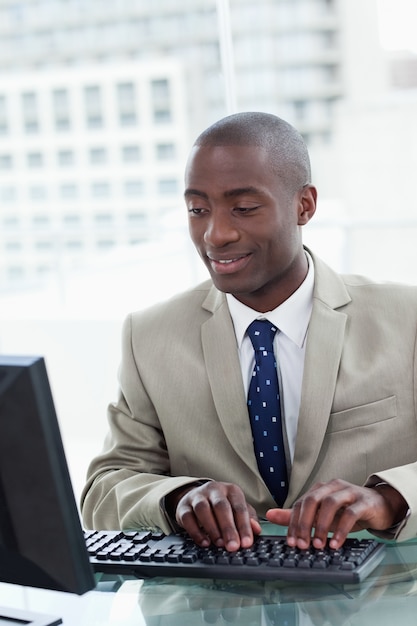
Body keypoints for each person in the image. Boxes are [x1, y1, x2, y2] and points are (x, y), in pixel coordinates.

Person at [81, 111, 417, 553]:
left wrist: (390, 498)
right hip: (214, 610)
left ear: (305, 206)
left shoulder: (406, 319)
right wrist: (177, 498)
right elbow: (104, 489)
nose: (215, 234)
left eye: (243, 208)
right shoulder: (149, 336)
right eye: (198, 210)